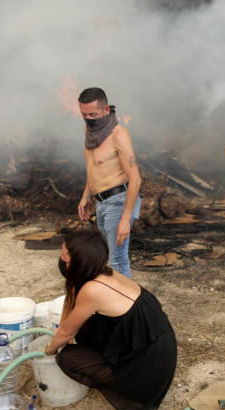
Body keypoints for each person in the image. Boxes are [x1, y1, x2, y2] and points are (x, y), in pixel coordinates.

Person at [44, 229, 177, 410]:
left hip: (148, 366)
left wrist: (49, 349)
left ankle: (128, 391)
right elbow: (70, 304)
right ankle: (108, 365)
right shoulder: (100, 272)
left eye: (65, 255)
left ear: (80, 260)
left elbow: (66, 331)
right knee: (84, 323)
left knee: (67, 358)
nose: (61, 258)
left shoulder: (93, 289)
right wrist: (63, 330)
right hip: (148, 345)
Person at [77, 87, 142, 278]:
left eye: (93, 114)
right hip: (101, 202)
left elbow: (135, 178)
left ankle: (126, 306)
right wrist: (86, 195)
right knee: (105, 256)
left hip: (118, 202)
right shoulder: (89, 131)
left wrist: (125, 219)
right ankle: (111, 299)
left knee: (118, 260)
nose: (89, 118)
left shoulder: (118, 135)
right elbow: (93, 166)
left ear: (106, 110)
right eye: (84, 114)